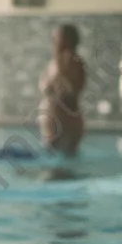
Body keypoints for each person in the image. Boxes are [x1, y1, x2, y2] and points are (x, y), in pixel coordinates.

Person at [39, 24, 86, 155]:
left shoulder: (70, 59)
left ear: (67, 40)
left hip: (64, 123)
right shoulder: (57, 60)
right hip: (58, 125)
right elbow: (47, 87)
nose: (53, 40)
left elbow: (72, 90)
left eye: (56, 36)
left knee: (59, 167)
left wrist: (60, 73)